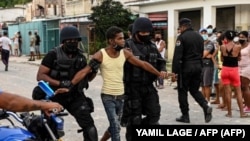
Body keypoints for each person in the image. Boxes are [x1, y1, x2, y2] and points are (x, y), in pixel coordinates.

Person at [55, 26, 166, 141]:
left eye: (123, 38)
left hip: (121, 95)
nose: (124, 41)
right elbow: (84, 71)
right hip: (108, 96)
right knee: (115, 126)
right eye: (120, 39)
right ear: (111, 41)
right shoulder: (101, 54)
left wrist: (159, 73)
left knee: (117, 123)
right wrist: (69, 86)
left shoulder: (125, 53)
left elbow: (143, 64)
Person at [32, 26, 98, 141]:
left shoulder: (81, 57)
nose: (73, 43)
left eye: (75, 41)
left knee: (89, 127)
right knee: (50, 128)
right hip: (54, 94)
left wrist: (94, 71)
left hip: (74, 95)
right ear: (63, 41)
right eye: (69, 41)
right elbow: (40, 76)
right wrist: (60, 83)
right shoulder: (53, 54)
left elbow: (87, 79)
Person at [122, 17, 167, 141]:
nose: (146, 35)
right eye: (143, 33)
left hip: (148, 87)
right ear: (136, 32)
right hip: (132, 89)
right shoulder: (126, 45)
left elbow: (161, 61)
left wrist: (163, 69)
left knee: (154, 116)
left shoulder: (151, 46)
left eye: (148, 33)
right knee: (134, 120)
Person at [171, 18, 212, 123]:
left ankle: (185, 115)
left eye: (180, 27)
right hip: (198, 66)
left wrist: (174, 72)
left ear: (183, 26)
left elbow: (177, 56)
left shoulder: (182, 37)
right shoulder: (199, 36)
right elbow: (201, 52)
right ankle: (205, 105)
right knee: (194, 90)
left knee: (182, 91)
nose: (179, 29)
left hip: (186, 67)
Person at [220, 30, 247, 118]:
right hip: (234, 70)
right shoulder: (238, 46)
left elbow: (222, 59)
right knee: (238, 92)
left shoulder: (222, 46)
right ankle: (242, 113)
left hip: (225, 70)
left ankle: (229, 113)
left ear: (226, 38)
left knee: (227, 92)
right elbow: (239, 57)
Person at [199, 28, 215, 105]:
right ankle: (203, 101)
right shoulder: (199, 43)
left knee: (206, 84)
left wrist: (202, 54)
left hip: (208, 65)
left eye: (205, 33)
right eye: (202, 33)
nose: (204, 34)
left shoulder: (210, 43)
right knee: (202, 84)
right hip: (200, 65)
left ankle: (207, 100)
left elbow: (203, 54)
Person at [238, 31, 250, 113]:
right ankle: (245, 104)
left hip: (247, 67)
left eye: (242, 37)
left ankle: (249, 106)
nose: (241, 38)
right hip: (239, 68)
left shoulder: (249, 46)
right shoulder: (238, 46)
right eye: (239, 37)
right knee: (241, 87)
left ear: (246, 37)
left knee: (245, 86)